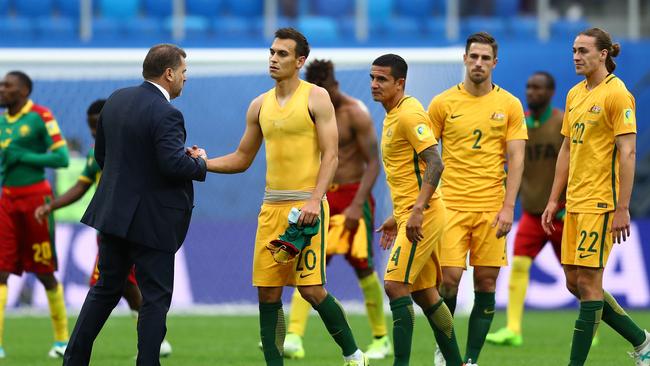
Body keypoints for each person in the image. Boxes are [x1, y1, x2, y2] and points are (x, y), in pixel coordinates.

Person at [205, 28, 368, 366]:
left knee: (311, 291)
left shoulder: (316, 97)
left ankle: (354, 356)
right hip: (271, 208)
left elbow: (332, 155)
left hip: (306, 208)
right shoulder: (259, 105)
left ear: (300, 61)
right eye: (272, 52)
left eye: (282, 54)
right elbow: (241, 158)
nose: (274, 58)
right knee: (268, 293)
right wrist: (200, 164)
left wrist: (313, 200)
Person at [62, 44, 207, 366]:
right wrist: (198, 162)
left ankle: (73, 360)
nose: (185, 79)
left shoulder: (116, 100)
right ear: (169, 74)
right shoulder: (168, 113)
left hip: (113, 215)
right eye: (184, 73)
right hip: (151, 223)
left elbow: (102, 157)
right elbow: (171, 165)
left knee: (104, 290)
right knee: (155, 299)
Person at [541, 27, 650, 366]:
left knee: (588, 285)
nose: (576, 56)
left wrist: (622, 208)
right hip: (574, 201)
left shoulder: (618, 95)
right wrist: (553, 198)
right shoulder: (574, 94)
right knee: (574, 282)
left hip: (602, 202)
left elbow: (628, 153)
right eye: (574, 50)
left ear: (603, 54)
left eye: (583, 50)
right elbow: (566, 150)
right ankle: (642, 341)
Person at [34, 99, 172, 357]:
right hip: (110, 226)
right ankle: (156, 341)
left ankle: (74, 349)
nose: (94, 132)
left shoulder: (132, 146)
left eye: (98, 125)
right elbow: (81, 186)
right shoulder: (96, 151)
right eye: (91, 127)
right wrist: (52, 206)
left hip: (130, 226)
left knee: (106, 285)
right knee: (124, 285)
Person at [427, 32, 527, 365]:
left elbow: (516, 158)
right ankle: (446, 348)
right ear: (465, 59)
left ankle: (470, 359)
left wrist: (509, 206)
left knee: (486, 281)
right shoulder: (442, 103)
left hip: (492, 209)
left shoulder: (509, 105)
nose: (479, 63)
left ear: (494, 63)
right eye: (474, 57)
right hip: (451, 206)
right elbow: (425, 154)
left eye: (486, 58)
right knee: (450, 280)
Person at [282, 59, 389, 360]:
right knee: (309, 265)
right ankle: (294, 336)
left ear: (334, 83)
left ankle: (381, 338)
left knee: (363, 265)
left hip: (354, 196)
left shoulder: (355, 113)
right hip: (322, 196)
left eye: (326, 88)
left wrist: (357, 205)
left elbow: (373, 164)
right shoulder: (310, 110)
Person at [371, 53, 465, 366]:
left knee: (395, 285)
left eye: (382, 79)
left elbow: (436, 163)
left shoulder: (410, 114)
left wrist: (416, 211)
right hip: (410, 214)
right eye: (373, 78)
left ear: (400, 83)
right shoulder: (392, 114)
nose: (374, 84)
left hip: (423, 215)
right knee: (426, 294)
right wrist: (396, 215)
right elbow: (407, 173)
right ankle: (456, 362)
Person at [486, 72, 567, 347]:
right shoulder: (520, 124)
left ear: (551, 92)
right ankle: (513, 329)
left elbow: (575, 165)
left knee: (578, 280)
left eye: (538, 88)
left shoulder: (560, 124)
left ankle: (591, 330)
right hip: (533, 213)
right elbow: (516, 169)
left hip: (562, 214)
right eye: (529, 87)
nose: (531, 92)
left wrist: (567, 204)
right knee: (519, 265)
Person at [0, 71, 70, 359]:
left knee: (44, 272)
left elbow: (61, 157)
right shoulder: (3, 122)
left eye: (8, 86)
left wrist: (25, 157)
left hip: (36, 201)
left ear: (24, 91)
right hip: (7, 200)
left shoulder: (41, 116)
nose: (2, 89)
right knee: (1, 272)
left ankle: (62, 340)